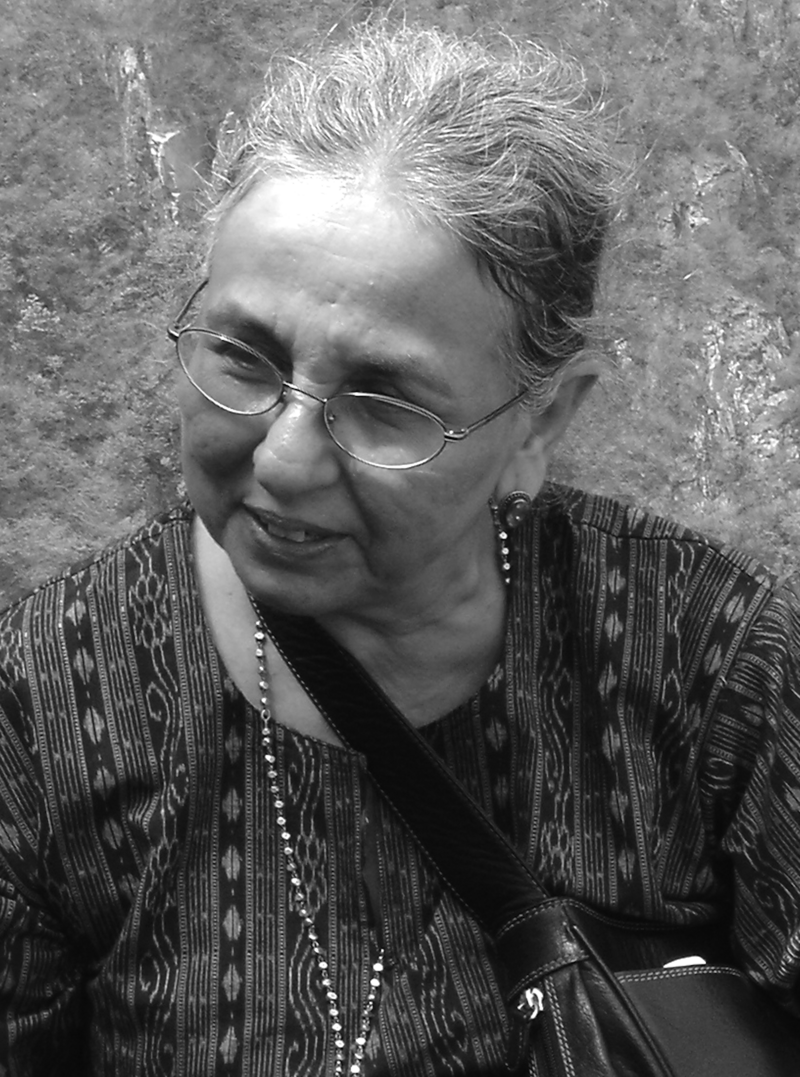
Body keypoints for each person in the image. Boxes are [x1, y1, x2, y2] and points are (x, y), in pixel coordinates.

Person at [1, 21, 798, 1077]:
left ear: (541, 423)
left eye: (383, 402)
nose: (284, 458)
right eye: (242, 356)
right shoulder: (54, 692)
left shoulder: (704, 660)